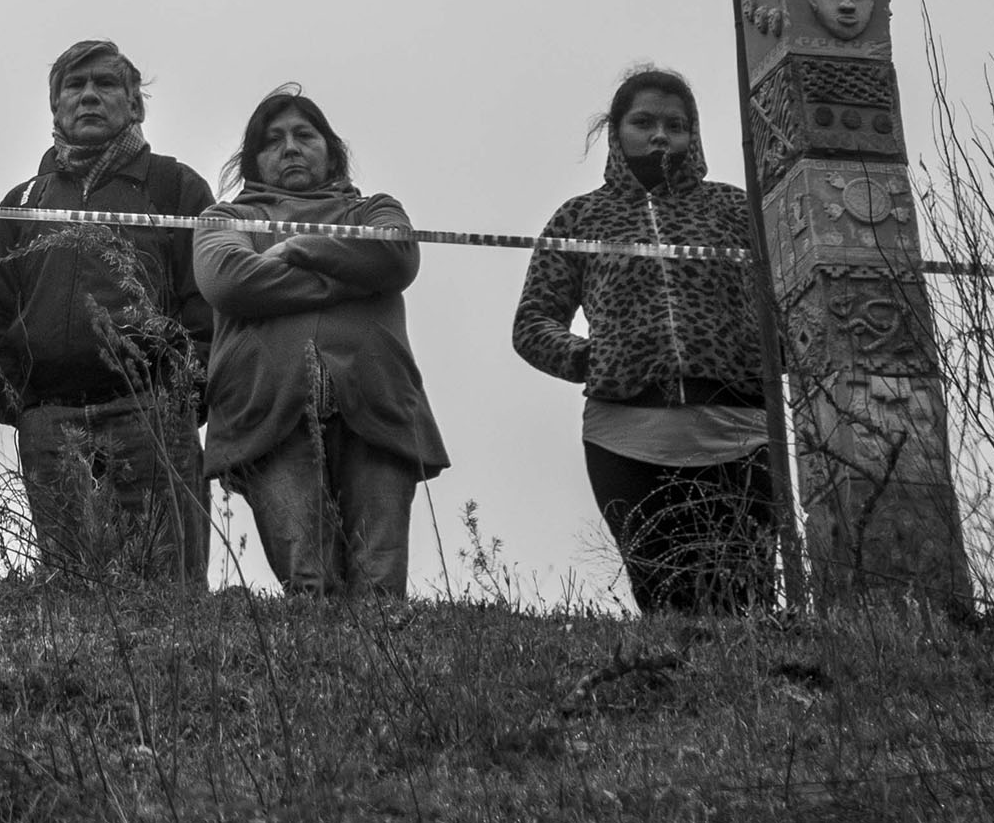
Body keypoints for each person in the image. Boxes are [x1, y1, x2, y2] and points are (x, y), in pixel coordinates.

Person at [512, 67, 779, 613]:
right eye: (644, 122)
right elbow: (533, 323)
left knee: (747, 600)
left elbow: (790, 302)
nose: (661, 135)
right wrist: (589, 356)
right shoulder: (580, 217)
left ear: (694, 134)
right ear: (616, 132)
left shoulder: (735, 211)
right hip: (625, 441)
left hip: (741, 431)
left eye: (676, 125)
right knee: (666, 599)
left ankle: (757, 697)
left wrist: (774, 356)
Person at [0, 41, 217, 579]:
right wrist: (22, 407)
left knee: (168, 588)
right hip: (50, 422)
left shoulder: (175, 186)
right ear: (55, 107)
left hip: (150, 415)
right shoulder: (23, 201)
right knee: (69, 592)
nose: (88, 96)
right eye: (73, 87)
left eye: (105, 84)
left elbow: (208, 305)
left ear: (135, 106)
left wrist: (181, 398)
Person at [192, 89, 449, 599]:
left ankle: (382, 679)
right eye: (273, 140)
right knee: (309, 586)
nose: (289, 148)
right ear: (253, 161)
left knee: (379, 591)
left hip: (376, 407)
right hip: (264, 412)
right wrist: (350, 278)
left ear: (331, 150)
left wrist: (298, 249)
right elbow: (229, 281)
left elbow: (395, 256)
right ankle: (318, 677)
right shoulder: (223, 218)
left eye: (304, 135)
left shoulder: (375, 209)